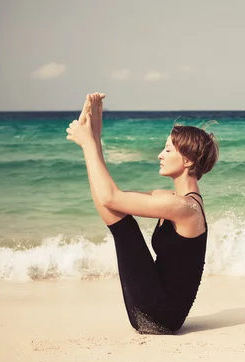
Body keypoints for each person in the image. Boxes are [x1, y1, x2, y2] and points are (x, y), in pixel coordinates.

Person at [66, 93, 219, 334]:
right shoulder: (172, 200)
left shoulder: (186, 210)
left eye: (168, 150)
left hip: (160, 316)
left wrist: (88, 145)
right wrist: (94, 129)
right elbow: (111, 196)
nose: (160, 154)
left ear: (187, 161)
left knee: (125, 226)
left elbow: (109, 196)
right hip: (154, 305)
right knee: (118, 212)